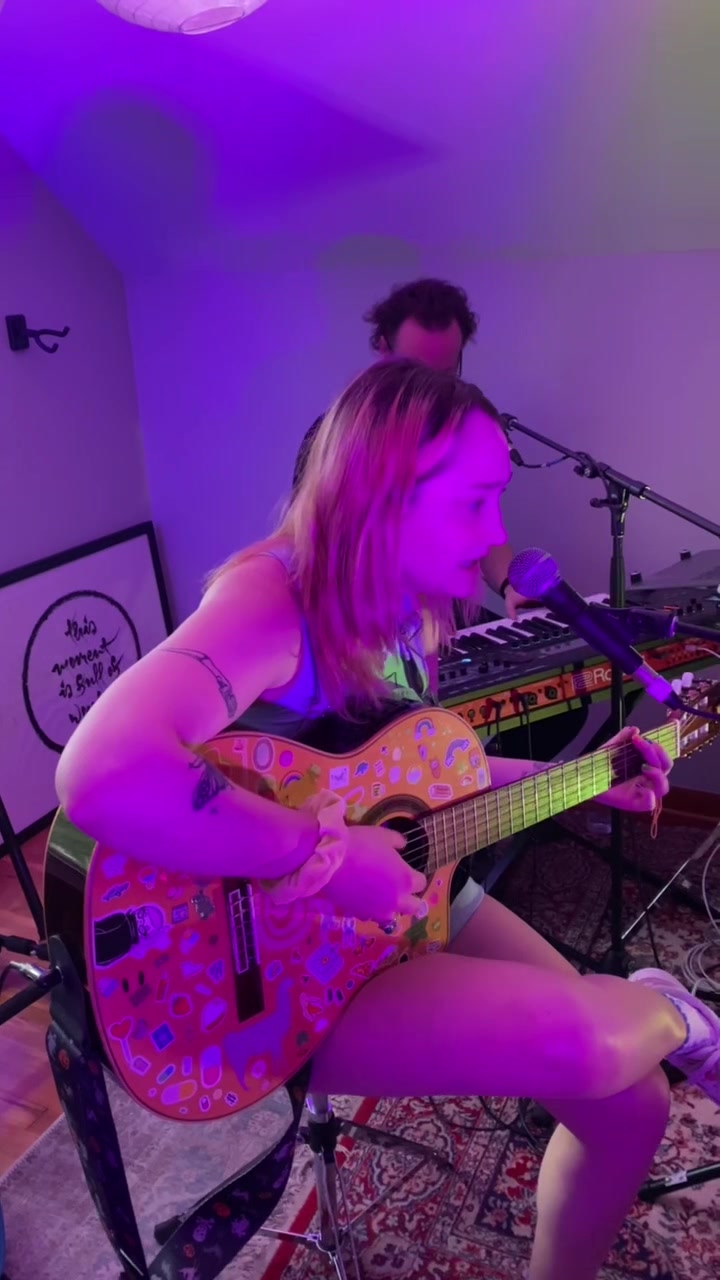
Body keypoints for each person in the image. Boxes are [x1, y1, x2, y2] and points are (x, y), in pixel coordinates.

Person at [55, 360, 720, 1280]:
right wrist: (315, 851)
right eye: (476, 501)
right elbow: (100, 771)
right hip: (275, 972)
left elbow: (420, 773)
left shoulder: (408, 610)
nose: (496, 534)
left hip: (395, 910)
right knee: (594, 1038)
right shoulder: (270, 599)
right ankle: (681, 1015)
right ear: (381, 494)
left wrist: (585, 779)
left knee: (630, 1105)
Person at [293, 277, 528, 621]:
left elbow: (479, 524)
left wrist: (511, 584)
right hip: (374, 627)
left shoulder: (460, 432)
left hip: (447, 620)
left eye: (445, 373)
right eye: (416, 370)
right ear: (383, 349)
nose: (432, 388)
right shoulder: (335, 440)